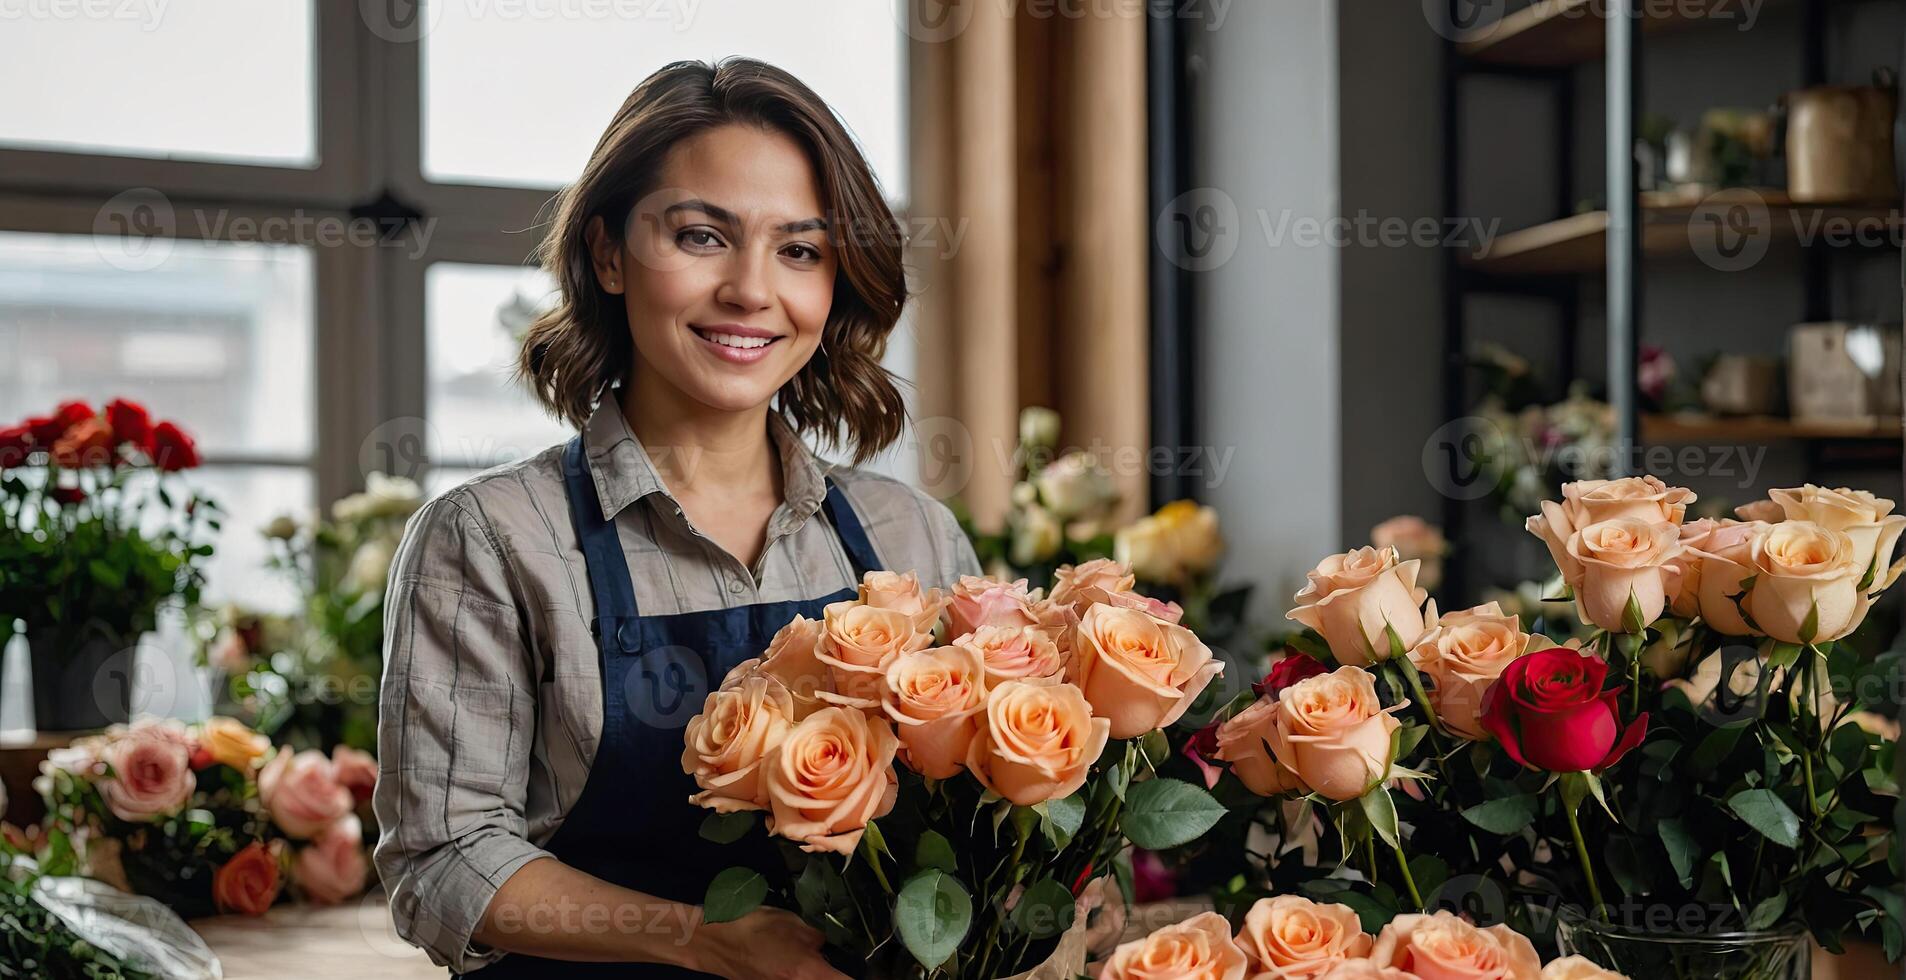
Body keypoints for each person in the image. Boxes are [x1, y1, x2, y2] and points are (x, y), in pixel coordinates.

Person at [372, 58, 979, 978]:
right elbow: (442, 863)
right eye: (702, 236)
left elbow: (976, 827)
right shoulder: (492, 539)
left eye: (800, 250)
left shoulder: (912, 535)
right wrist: (710, 942)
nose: (750, 289)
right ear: (609, 253)